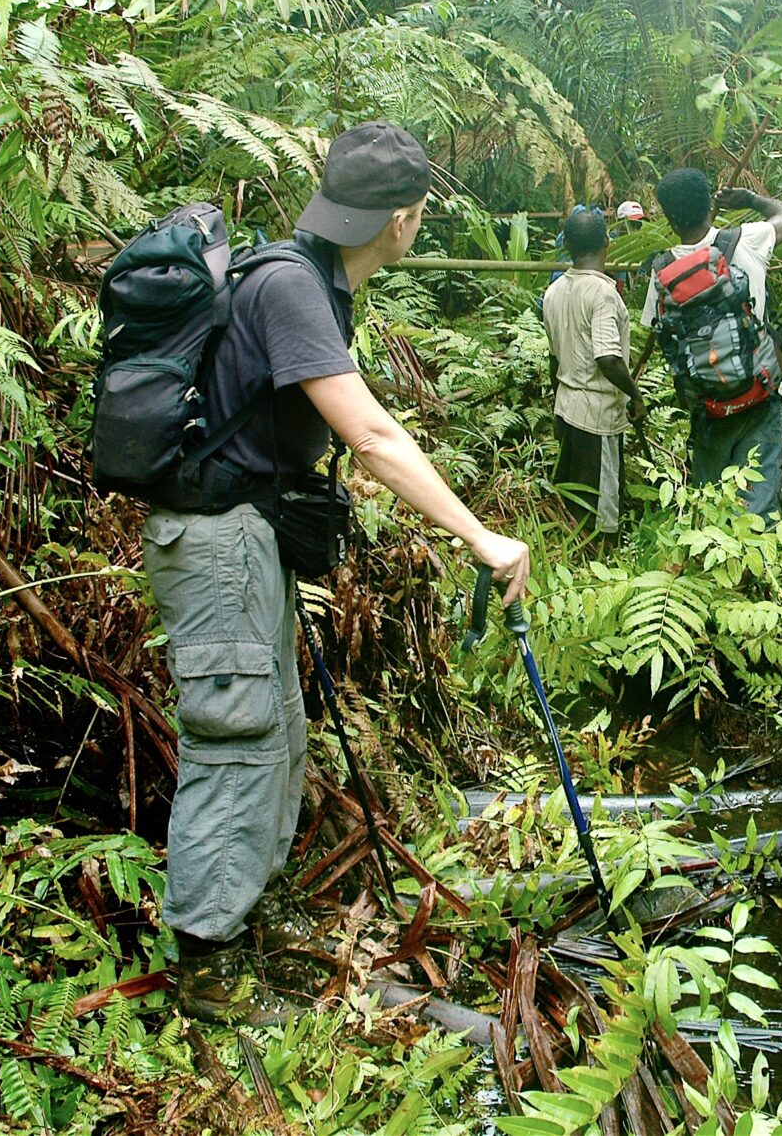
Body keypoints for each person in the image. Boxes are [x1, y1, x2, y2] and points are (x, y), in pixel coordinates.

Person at [143, 120, 530, 1025]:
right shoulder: (291, 287)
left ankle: (246, 919)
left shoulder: (308, 277)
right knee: (235, 741)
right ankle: (206, 972)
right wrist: (482, 538)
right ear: (404, 218)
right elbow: (372, 434)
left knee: (272, 729)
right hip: (218, 543)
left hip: (242, 540)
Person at [636, 169, 782, 519]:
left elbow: (657, 332)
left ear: (667, 216)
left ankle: (715, 565)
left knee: (711, 504)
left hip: (708, 405)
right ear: (710, 202)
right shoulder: (747, 241)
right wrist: (750, 200)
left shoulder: (663, 270)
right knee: (760, 500)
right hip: (761, 393)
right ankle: (756, 567)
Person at [542, 205, 641, 536]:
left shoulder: (553, 291)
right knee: (601, 509)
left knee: (575, 498)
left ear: (567, 246)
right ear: (607, 243)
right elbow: (608, 358)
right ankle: (603, 567)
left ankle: (574, 566)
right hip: (597, 416)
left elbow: (554, 358)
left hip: (567, 407)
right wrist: (636, 395)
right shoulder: (603, 294)